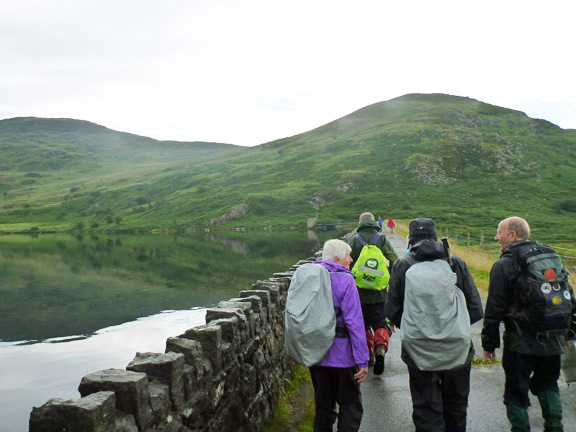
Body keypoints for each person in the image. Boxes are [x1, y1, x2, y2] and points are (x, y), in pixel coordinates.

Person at [386, 218, 483, 432]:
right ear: (435, 236)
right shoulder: (455, 264)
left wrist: (418, 326)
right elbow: (475, 308)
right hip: (457, 348)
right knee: (456, 407)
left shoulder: (403, 266)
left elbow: (392, 312)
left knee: (425, 409)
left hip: (418, 348)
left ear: (410, 238)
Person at [481, 216, 576, 431]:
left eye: (500, 233)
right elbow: (569, 296)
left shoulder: (504, 263)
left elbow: (494, 309)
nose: (496, 238)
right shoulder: (550, 257)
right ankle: (555, 427)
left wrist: (489, 344)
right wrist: (569, 333)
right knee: (549, 385)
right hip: (553, 338)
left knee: (516, 391)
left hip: (520, 342)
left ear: (512, 235)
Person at [309, 239, 370, 432]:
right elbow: (354, 323)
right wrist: (362, 360)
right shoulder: (345, 280)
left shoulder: (310, 277)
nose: (350, 260)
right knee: (350, 404)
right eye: (347, 256)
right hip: (343, 358)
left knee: (324, 407)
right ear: (337, 259)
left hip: (316, 356)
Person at [349, 212, 398, 375]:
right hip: (379, 291)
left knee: (361, 324)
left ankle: (368, 354)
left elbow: (346, 263)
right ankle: (380, 349)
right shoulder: (381, 239)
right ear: (373, 223)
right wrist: (388, 277)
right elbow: (395, 259)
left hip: (359, 292)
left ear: (360, 223)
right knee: (380, 322)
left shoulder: (354, 241)